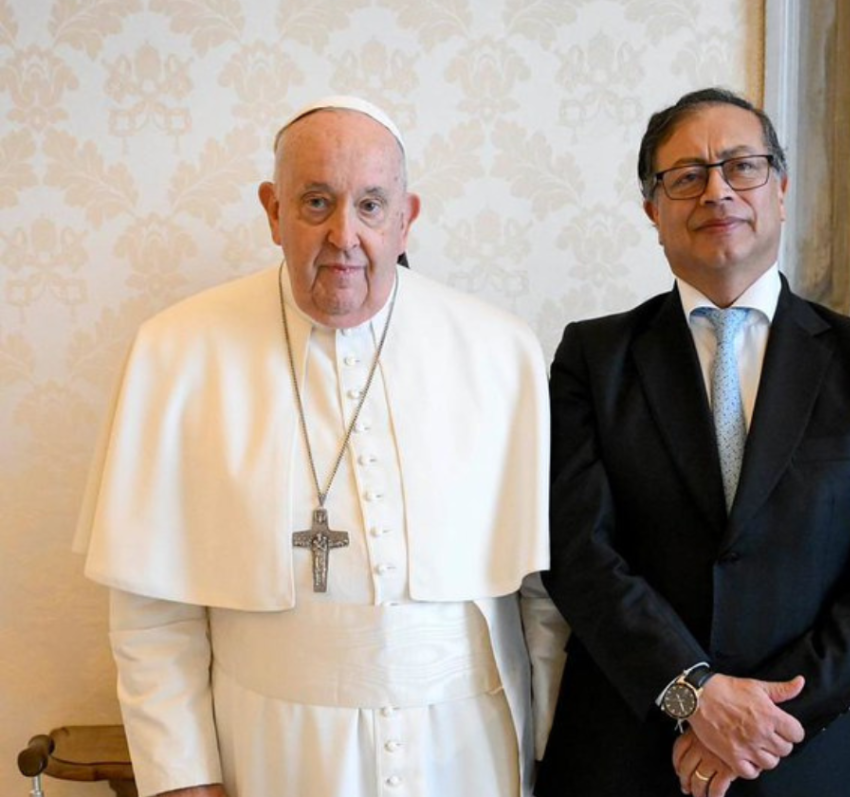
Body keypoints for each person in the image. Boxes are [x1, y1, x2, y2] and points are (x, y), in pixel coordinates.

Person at [75, 95, 567, 797]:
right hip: (272, 748)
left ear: (407, 217)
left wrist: (550, 748)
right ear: (273, 211)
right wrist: (182, 779)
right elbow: (153, 612)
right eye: (316, 202)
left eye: (371, 205)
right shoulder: (177, 351)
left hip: (467, 751)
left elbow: (540, 596)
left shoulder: (500, 350)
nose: (345, 234)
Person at [534, 87, 850, 797]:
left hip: (805, 758)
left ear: (779, 188)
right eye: (685, 176)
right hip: (626, 752)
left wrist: (762, 722)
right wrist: (693, 695)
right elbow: (578, 553)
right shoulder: (592, 358)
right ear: (653, 211)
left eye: (741, 167)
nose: (717, 191)